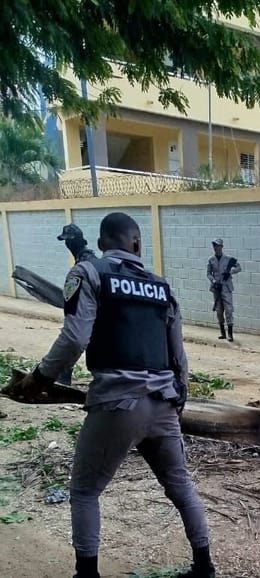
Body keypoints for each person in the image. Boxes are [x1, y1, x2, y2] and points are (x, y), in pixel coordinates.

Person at [15, 212, 215, 578]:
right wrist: (176, 400)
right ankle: (204, 567)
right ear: (137, 243)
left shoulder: (88, 274)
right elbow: (179, 359)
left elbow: (75, 338)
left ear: (103, 242)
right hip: (163, 404)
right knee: (181, 487)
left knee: (85, 490)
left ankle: (87, 575)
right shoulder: (162, 287)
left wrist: (39, 379)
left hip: (118, 403)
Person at [56, 223, 97, 386]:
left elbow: (72, 303)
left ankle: (63, 376)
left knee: (74, 337)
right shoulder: (91, 260)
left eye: (68, 241)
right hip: (96, 312)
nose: (67, 245)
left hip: (90, 312)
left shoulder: (82, 266)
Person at [206, 238, 241, 342]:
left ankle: (230, 334)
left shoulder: (228, 259)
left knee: (229, 310)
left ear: (221, 247)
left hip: (226, 287)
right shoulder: (211, 260)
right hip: (217, 288)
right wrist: (213, 281)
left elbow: (239, 267)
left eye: (218, 246)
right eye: (214, 246)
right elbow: (208, 273)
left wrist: (230, 272)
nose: (216, 248)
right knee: (219, 310)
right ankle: (223, 333)